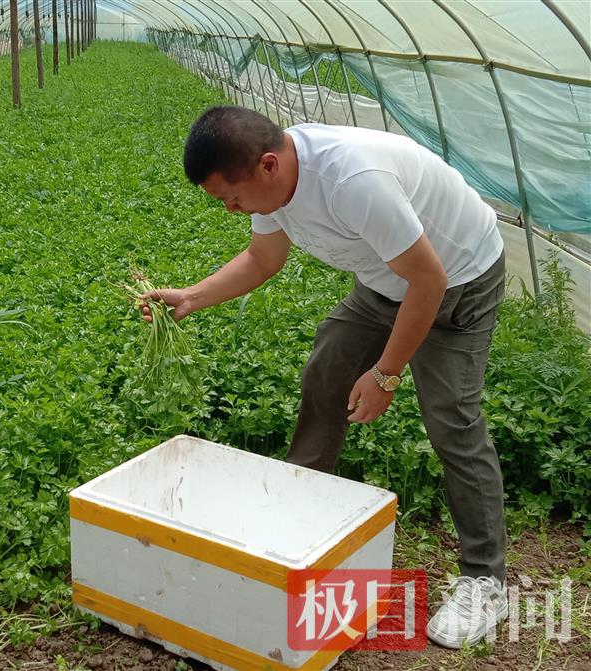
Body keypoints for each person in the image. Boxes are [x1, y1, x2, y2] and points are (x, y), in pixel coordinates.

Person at [140, 106, 508, 649]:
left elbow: (428, 281)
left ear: (267, 165)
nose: (230, 209)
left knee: (451, 418)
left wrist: (385, 375)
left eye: (229, 197)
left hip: (457, 282)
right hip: (386, 280)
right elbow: (263, 259)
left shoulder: (352, 181)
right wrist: (191, 298)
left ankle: (485, 581)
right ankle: (301, 510)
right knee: (328, 366)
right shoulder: (276, 184)